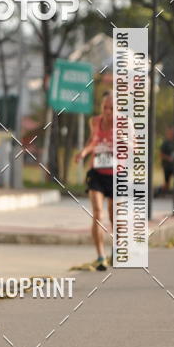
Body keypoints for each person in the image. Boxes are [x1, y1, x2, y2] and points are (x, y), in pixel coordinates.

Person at [75, 92, 114, 271]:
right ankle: (100, 256)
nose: (108, 111)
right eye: (105, 107)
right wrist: (84, 152)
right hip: (97, 172)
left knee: (115, 217)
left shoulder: (125, 124)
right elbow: (93, 141)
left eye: (112, 108)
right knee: (98, 214)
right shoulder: (95, 121)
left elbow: (135, 145)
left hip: (116, 174)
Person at [158, 127, 174, 196]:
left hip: (173, 165)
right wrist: (168, 158)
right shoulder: (165, 143)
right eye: (171, 133)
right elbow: (161, 154)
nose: (172, 134)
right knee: (167, 182)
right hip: (167, 165)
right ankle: (159, 191)